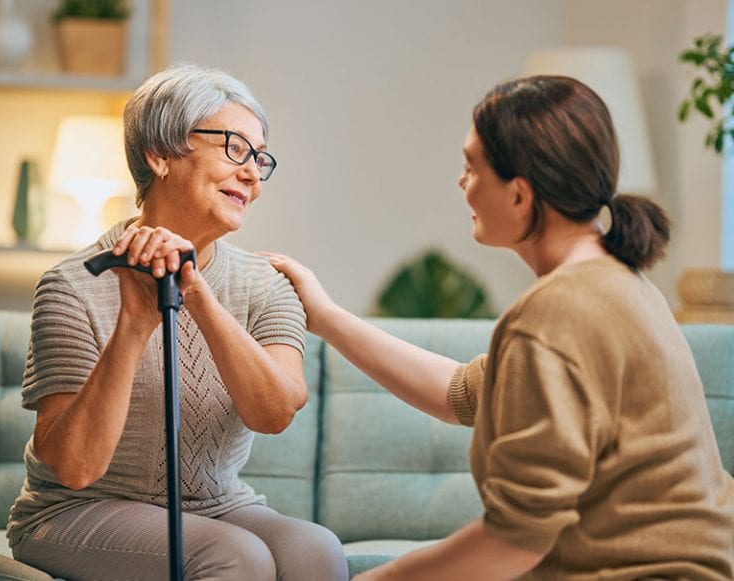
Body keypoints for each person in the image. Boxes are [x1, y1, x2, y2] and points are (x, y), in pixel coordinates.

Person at [265, 75, 734, 580]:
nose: (462, 182)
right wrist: (327, 318)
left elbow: (516, 539)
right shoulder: (621, 285)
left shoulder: (559, 312)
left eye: (471, 167)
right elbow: (461, 393)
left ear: (519, 195)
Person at [7, 63, 349, 581]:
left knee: (316, 551)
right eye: (234, 147)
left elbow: (274, 412)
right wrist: (134, 322)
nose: (253, 173)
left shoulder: (266, 284)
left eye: (260, 158)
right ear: (160, 154)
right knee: (236, 557)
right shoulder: (72, 285)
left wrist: (198, 294)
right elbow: (75, 469)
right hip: (77, 510)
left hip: (216, 505)